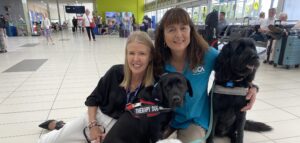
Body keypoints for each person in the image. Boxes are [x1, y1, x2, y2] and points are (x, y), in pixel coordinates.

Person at [153, 8, 258, 143]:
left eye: (183, 28)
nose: (178, 34)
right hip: (166, 118)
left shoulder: (206, 55)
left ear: (191, 30)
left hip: (194, 120)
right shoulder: (157, 59)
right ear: (163, 34)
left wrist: (252, 86)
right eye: (171, 29)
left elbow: (233, 67)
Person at [37, 31, 155, 143]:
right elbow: (93, 100)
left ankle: (60, 125)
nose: (135, 59)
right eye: (131, 53)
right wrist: (93, 126)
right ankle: (60, 126)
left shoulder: (154, 86)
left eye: (142, 53)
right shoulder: (115, 72)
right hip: (96, 119)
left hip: (122, 132)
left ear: (150, 56)